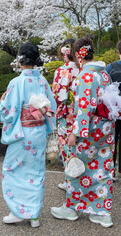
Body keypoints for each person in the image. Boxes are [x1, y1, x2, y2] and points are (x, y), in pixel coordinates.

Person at [51, 37, 115, 228]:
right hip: (105, 129)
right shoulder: (104, 74)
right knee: (102, 169)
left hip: (89, 130)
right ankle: (102, 212)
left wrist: (75, 133)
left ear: (78, 54)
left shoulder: (86, 76)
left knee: (76, 166)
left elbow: (83, 108)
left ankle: (72, 208)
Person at [0, 42, 56, 228]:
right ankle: (34, 215)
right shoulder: (42, 81)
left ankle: (19, 211)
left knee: (13, 170)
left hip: (21, 133)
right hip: (38, 131)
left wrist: (2, 104)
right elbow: (51, 107)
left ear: (20, 59)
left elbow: (9, 112)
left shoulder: (17, 82)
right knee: (36, 172)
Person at [52, 38, 79, 191]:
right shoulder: (84, 70)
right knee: (81, 147)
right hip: (81, 114)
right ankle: (82, 180)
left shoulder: (61, 71)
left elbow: (56, 94)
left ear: (64, 54)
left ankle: (69, 181)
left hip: (65, 114)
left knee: (66, 147)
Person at [106, 41, 121, 178]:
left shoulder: (110, 67)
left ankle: (111, 173)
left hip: (114, 111)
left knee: (112, 140)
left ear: (118, 52)